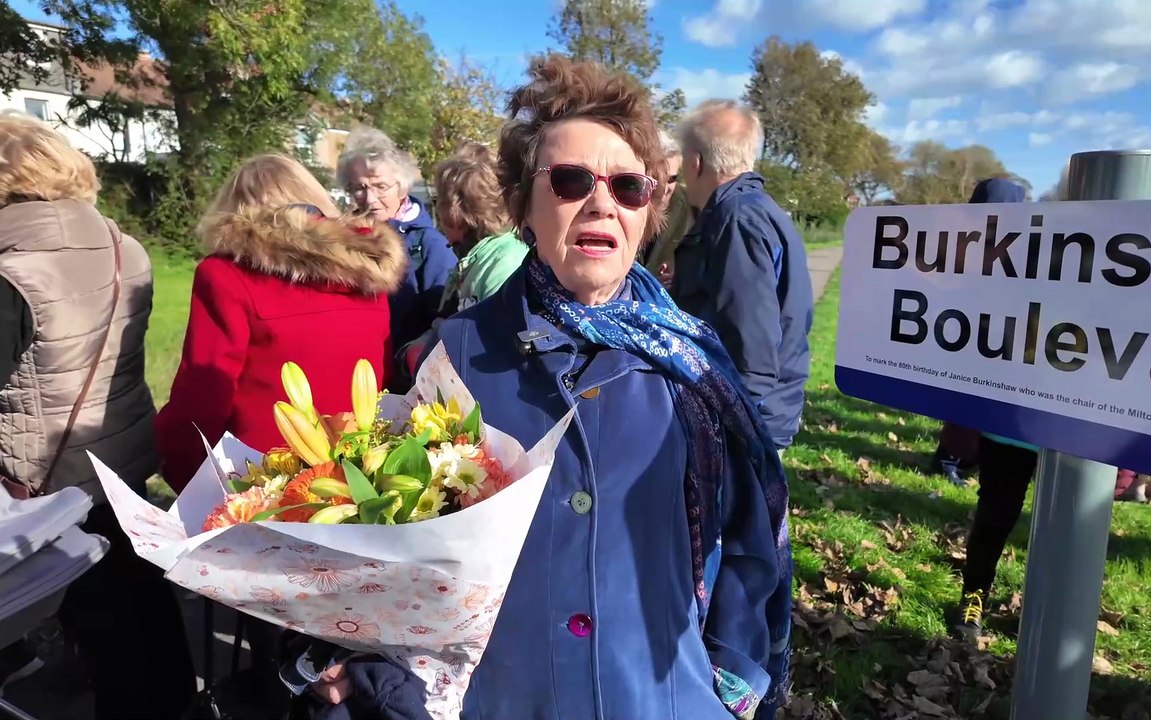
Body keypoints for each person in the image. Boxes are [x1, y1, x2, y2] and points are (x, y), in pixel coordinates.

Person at [310, 56, 793, 720]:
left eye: (628, 186)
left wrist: (726, 682)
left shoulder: (693, 367)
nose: (602, 203)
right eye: (570, 181)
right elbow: (391, 536)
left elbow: (747, 543)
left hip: (661, 700)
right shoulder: (459, 354)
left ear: (648, 212)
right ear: (523, 206)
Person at [0, 114, 196, 718]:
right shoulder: (123, 248)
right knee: (145, 598)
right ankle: (179, 702)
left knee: (104, 626)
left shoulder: (11, 272)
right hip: (123, 452)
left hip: (50, 478)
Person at [154, 154, 406, 491]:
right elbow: (379, 376)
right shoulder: (364, 269)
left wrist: (182, 470)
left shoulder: (226, 276)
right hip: (359, 475)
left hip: (264, 484)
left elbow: (203, 394)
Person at [671, 99, 814, 454]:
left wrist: (732, 429)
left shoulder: (736, 220)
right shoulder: (756, 209)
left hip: (746, 424)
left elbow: (751, 346)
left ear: (695, 162)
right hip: (758, 413)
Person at [932, 178, 1027, 486]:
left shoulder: (1018, 246)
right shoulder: (967, 242)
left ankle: (964, 457)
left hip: (999, 336)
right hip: (969, 333)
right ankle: (950, 457)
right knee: (967, 400)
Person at [337, 127, 456, 350]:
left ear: (402, 188)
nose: (370, 199)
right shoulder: (341, 239)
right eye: (359, 188)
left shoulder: (429, 245)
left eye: (380, 187)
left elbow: (443, 323)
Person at [954, 431, 1040, 641]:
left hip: (1077, 439)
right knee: (994, 519)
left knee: (1067, 533)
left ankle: (1048, 613)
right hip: (1012, 431)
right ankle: (973, 597)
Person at [431, 142, 528, 317]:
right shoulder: (477, 257)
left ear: (455, 211)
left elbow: (501, 329)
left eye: (438, 201)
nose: (438, 210)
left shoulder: (505, 264)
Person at [640, 129, 690, 287]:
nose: (664, 188)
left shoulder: (692, 207)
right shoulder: (619, 200)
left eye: (671, 179)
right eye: (657, 178)